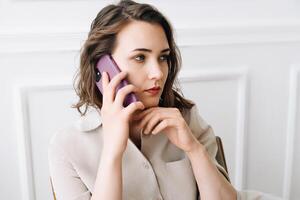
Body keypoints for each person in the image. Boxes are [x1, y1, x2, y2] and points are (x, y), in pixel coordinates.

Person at [48, 0, 238, 199]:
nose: (157, 73)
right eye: (140, 57)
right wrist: (112, 152)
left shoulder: (186, 119)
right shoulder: (67, 145)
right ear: (103, 67)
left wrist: (193, 149)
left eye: (163, 57)